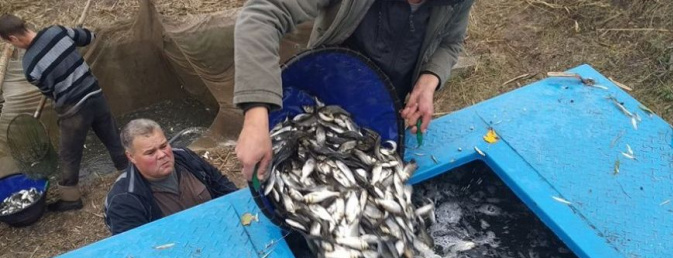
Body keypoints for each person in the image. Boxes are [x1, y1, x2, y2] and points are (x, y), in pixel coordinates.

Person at [233, 0, 475, 181]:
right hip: (324, 92)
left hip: (387, 110)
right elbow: (261, 16)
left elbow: (450, 42)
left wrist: (429, 78)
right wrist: (255, 116)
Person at [0, 14, 128, 212]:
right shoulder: (57, 31)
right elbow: (89, 37)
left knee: (69, 154)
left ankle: (70, 199)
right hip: (95, 94)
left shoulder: (30, 66)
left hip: (73, 109)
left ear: (13, 39)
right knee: (112, 137)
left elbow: (50, 93)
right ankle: (129, 172)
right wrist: (72, 40)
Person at [104, 119, 238, 235]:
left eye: (163, 146)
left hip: (218, 229)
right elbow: (135, 250)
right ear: (131, 157)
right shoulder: (123, 199)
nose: (162, 155)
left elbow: (224, 187)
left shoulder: (185, 157)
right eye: (150, 152)